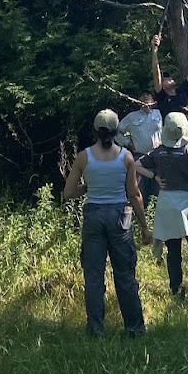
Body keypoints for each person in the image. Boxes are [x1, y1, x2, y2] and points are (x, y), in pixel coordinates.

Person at [62, 108, 151, 338]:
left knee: (93, 276)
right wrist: (144, 226)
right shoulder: (126, 157)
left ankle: (95, 330)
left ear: (95, 131)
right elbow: (134, 194)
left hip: (94, 216)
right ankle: (134, 329)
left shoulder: (84, 157)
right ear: (115, 131)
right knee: (125, 275)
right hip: (120, 216)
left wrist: (87, 188)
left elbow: (69, 192)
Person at [136, 111, 188, 300]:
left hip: (167, 204)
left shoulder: (159, 152)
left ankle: (177, 292)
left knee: (173, 250)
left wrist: (154, 176)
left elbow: (136, 164)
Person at [116, 91, 163, 210]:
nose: (145, 97)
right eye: (142, 95)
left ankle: (157, 220)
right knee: (139, 191)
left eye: (148, 95)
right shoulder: (132, 117)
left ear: (153, 101)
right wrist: (127, 143)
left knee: (159, 191)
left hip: (158, 158)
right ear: (137, 101)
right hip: (139, 158)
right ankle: (140, 221)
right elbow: (116, 132)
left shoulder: (159, 114)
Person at [151, 27, 188, 118]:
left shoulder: (182, 91)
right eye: (165, 79)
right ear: (162, 86)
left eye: (169, 77)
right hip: (170, 129)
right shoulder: (162, 96)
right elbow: (156, 72)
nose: (170, 78)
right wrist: (154, 50)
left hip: (184, 128)